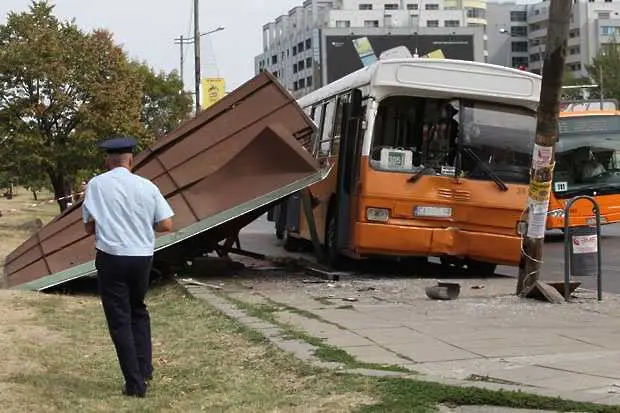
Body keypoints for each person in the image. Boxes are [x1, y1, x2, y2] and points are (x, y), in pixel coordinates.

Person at [82, 136, 174, 398]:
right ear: (131, 160)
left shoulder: (96, 185)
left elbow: (89, 227)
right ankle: (144, 369)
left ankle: (135, 384)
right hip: (142, 257)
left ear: (106, 161)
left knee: (120, 319)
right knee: (138, 310)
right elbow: (166, 224)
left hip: (112, 256)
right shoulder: (147, 186)